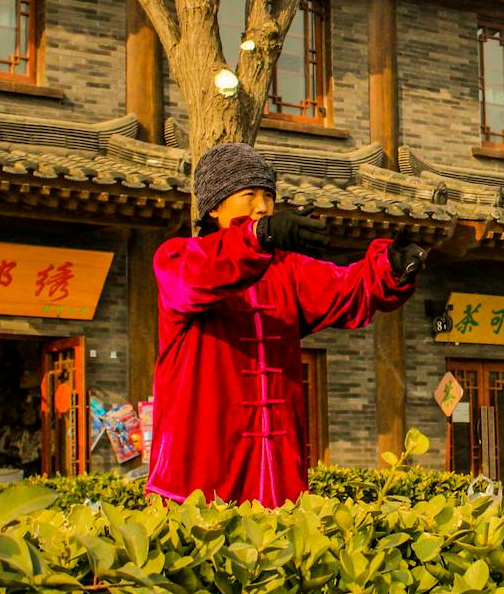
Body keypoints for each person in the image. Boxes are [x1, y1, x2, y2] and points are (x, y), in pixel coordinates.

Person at [150, 142, 426, 507]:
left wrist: (389, 267)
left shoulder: (287, 270)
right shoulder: (177, 259)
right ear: (214, 207)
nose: (262, 206)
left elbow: (345, 288)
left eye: (268, 196)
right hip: (197, 484)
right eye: (249, 195)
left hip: (276, 481)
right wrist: (258, 236)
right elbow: (203, 274)